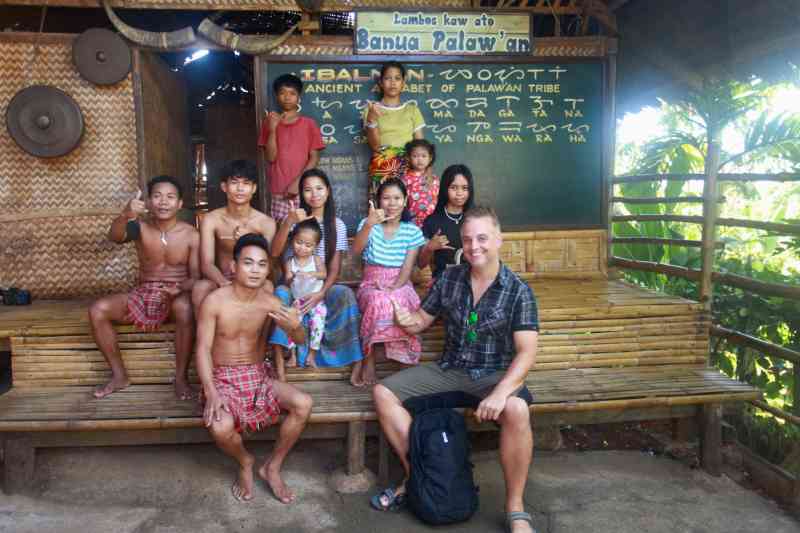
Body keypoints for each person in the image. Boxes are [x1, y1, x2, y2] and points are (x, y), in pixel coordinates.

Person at [371, 206, 539, 533]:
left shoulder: (519, 291)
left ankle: (516, 508)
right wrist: (406, 320)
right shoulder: (449, 278)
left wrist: (501, 394)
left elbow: (526, 353)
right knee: (383, 393)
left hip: (493, 375)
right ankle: (419, 477)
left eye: (482, 238)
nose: (474, 246)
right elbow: (422, 319)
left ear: (499, 239)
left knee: (517, 409)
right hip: (450, 369)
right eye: (467, 239)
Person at [196, 233, 312, 504]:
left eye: (262, 264)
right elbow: (201, 348)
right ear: (233, 267)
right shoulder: (215, 301)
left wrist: (295, 326)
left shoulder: (270, 302)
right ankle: (246, 462)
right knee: (220, 427)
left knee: (303, 404)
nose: (255, 269)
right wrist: (210, 391)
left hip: (258, 375)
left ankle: (272, 466)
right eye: (248, 263)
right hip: (221, 377)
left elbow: (299, 339)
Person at [89, 176, 200, 400]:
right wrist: (126, 215)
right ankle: (119, 375)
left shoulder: (191, 234)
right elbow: (115, 236)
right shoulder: (139, 227)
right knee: (97, 310)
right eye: (157, 196)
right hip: (145, 293)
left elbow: (197, 277)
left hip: (177, 295)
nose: (163, 202)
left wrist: (179, 288)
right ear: (148, 202)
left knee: (185, 309)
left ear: (179, 204)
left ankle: (180, 378)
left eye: (170, 197)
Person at [269, 169, 364, 383]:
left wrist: (321, 293)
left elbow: (334, 268)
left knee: (346, 293)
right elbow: (274, 253)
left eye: (319, 188)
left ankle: (354, 360)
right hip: (293, 286)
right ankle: (280, 363)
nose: (314, 194)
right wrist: (288, 222)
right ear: (301, 193)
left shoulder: (336, 225)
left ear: (328, 191)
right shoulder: (294, 218)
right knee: (279, 294)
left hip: (320, 286)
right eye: (308, 189)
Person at [352, 178, 426, 386]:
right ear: (378, 201)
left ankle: (403, 362)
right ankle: (369, 360)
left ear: (405, 201)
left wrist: (394, 287)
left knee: (397, 302)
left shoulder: (412, 231)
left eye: (397, 198)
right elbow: (355, 252)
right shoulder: (369, 225)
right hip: (371, 283)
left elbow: (408, 266)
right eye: (386, 198)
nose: (391, 203)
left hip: (401, 283)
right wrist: (368, 224)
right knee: (377, 301)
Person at [192, 160, 276, 314]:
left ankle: (261, 339)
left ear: (254, 188)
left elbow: (268, 263)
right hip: (222, 279)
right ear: (224, 187)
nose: (240, 188)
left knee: (268, 287)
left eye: (246, 183)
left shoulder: (266, 223)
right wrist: (223, 283)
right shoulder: (211, 219)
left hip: (252, 279)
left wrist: (249, 238)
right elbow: (207, 264)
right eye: (234, 182)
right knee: (200, 287)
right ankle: (205, 336)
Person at [259, 73, 326, 223]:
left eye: (292, 93)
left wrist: (298, 182)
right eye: (282, 93)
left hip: (305, 189)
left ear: (299, 96)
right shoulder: (269, 123)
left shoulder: (309, 124)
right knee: (282, 231)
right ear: (276, 96)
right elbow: (270, 157)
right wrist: (273, 129)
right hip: (279, 190)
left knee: (307, 231)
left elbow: (314, 157)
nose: (287, 97)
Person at [363, 61, 426, 199]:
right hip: (382, 167)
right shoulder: (371, 109)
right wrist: (372, 119)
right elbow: (375, 146)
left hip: (409, 167)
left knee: (409, 211)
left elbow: (421, 148)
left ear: (403, 83)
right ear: (380, 83)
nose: (393, 83)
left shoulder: (412, 110)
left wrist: (426, 172)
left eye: (397, 78)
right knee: (383, 210)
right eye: (388, 78)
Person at [283, 218, 327, 369]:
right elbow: (287, 281)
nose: (302, 248)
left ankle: (312, 354)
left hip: (315, 300)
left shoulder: (316, 259)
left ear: (315, 246)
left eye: (308, 245)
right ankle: (292, 356)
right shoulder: (290, 262)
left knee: (318, 321)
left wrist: (312, 274)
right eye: (299, 242)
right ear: (292, 241)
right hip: (298, 300)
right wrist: (292, 276)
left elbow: (324, 274)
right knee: (290, 321)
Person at [418, 164, 475, 280]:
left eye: (465, 188)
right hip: (444, 283)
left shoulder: (476, 218)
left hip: (474, 280)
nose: (459, 193)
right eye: (453, 187)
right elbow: (421, 264)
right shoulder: (432, 221)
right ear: (445, 189)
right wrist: (429, 248)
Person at [401, 139, 439, 228]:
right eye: (415, 156)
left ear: (430, 158)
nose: (420, 159)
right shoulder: (405, 179)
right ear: (409, 158)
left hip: (432, 221)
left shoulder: (434, 179)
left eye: (424, 156)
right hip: (412, 222)